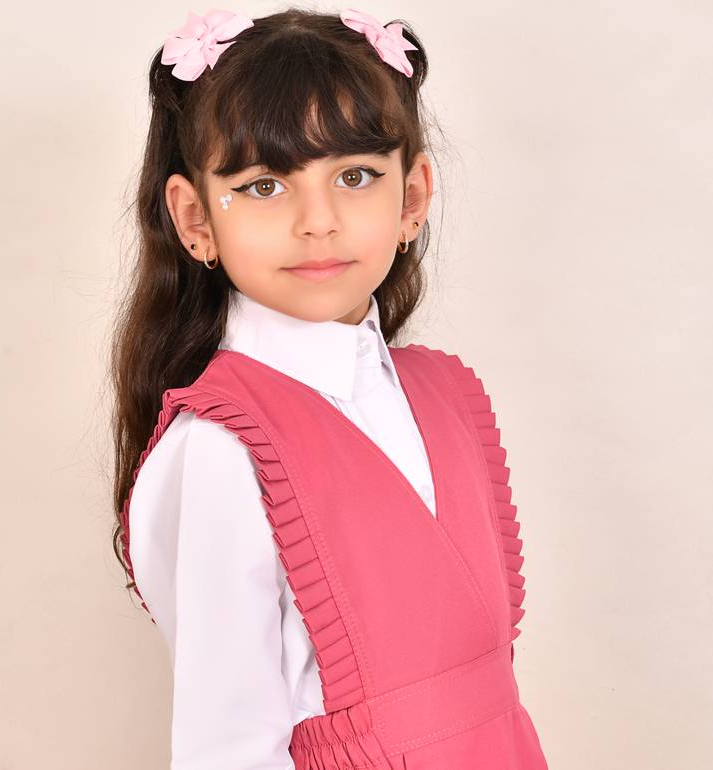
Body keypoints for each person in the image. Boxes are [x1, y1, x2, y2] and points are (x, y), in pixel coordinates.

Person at [110, 6, 549, 769]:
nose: (318, 221)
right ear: (195, 218)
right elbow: (228, 751)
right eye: (263, 185)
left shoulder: (444, 397)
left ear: (412, 197)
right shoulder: (223, 448)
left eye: (355, 176)